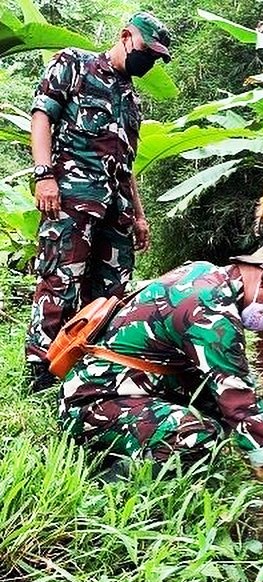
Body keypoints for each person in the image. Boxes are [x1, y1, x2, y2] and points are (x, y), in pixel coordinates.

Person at [58, 241, 263, 533]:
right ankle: (114, 490)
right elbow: (241, 406)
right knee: (199, 435)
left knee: (216, 413)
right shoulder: (212, 310)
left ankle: (136, 457)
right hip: (94, 404)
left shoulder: (202, 274)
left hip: (111, 390)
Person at [26, 11, 172, 391]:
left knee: (111, 291)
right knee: (60, 278)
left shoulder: (132, 101)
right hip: (72, 198)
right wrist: (44, 175)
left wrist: (139, 216)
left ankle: (88, 367)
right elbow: (42, 115)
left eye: (156, 57)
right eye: (147, 51)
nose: (149, 61)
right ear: (126, 36)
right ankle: (41, 368)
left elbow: (127, 165)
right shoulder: (75, 64)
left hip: (117, 209)